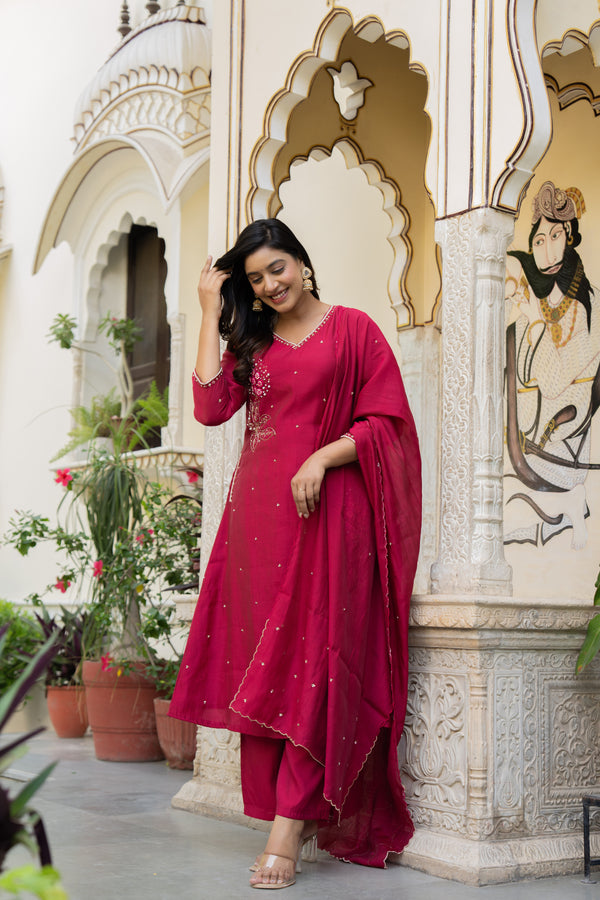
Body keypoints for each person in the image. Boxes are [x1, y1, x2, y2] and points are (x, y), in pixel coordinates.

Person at [169, 219, 421, 889]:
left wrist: (324, 456)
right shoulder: (253, 343)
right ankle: (288, 811)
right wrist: (206, 312)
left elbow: (387, 421)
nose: (270, 285)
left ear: (303, 265)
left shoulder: (355, 330)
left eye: (277, 269)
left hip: (329, 516)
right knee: (264, 671)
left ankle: (288, 828)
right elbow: (209, 406)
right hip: (257, 524)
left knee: (314, 661)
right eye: (255, 279)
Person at [504, 181, 600, 549]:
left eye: (555, 236)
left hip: (562, 447)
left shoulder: (588, 310)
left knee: (511, 502)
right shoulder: (532, 307)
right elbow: (521, 376)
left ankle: (568, 509)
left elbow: (557, 383)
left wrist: (536, 324)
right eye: (539, 240)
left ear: (569, 237)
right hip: (526, 440)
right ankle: (560, 518)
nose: (546, 249)